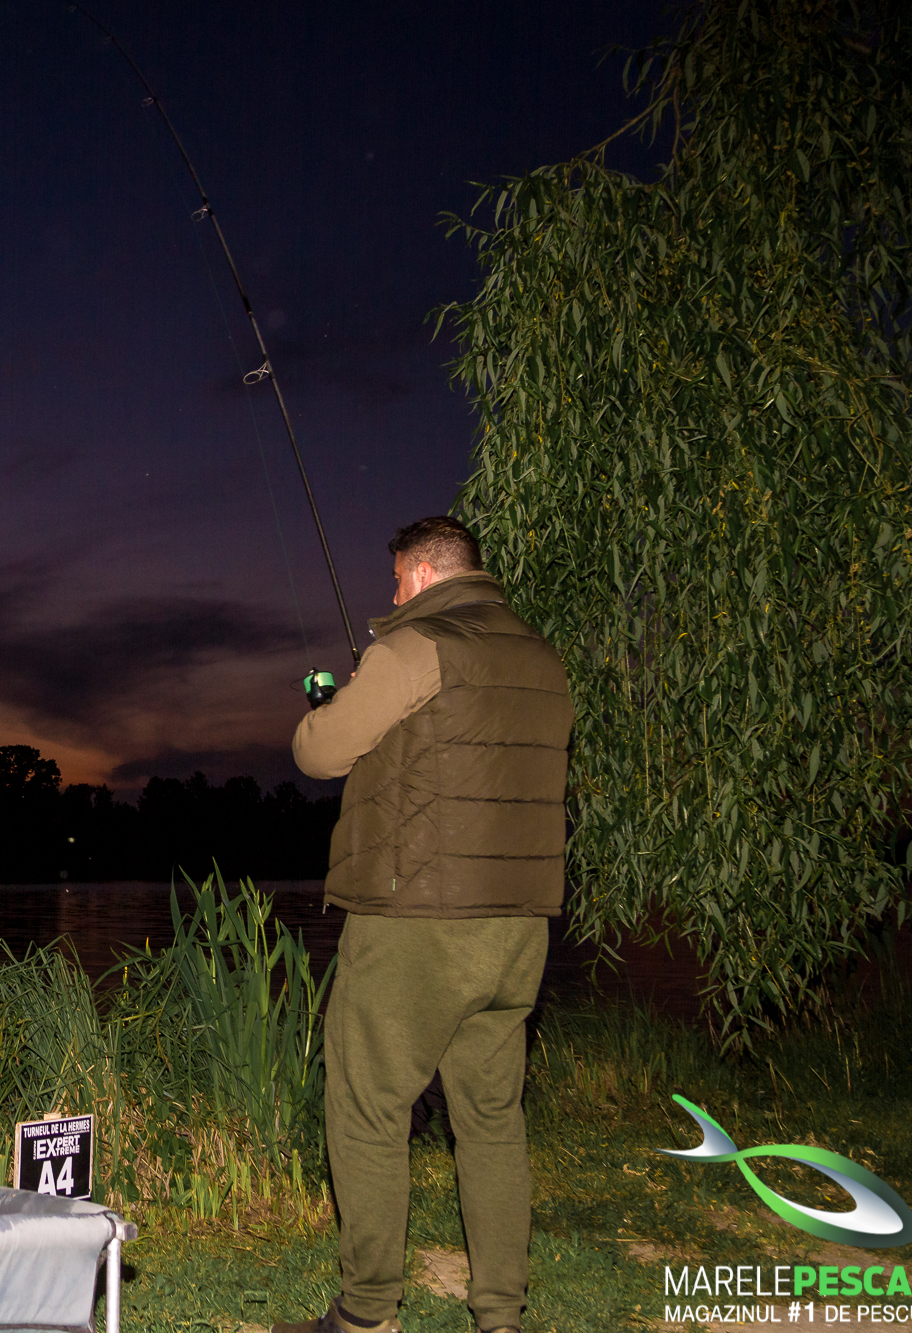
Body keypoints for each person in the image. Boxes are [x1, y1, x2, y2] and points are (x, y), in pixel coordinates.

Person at [274, 516, 573, 1333]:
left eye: (398, 579)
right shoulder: (543, 659)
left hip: (416, 924)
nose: (393, 594)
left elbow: (318, 751)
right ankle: (501, 1315)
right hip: (519, 928)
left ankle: (367, 1313)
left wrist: (334, 701)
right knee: (492, 1117)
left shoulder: (412, 648)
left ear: (425, 573)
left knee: (366, 1105)